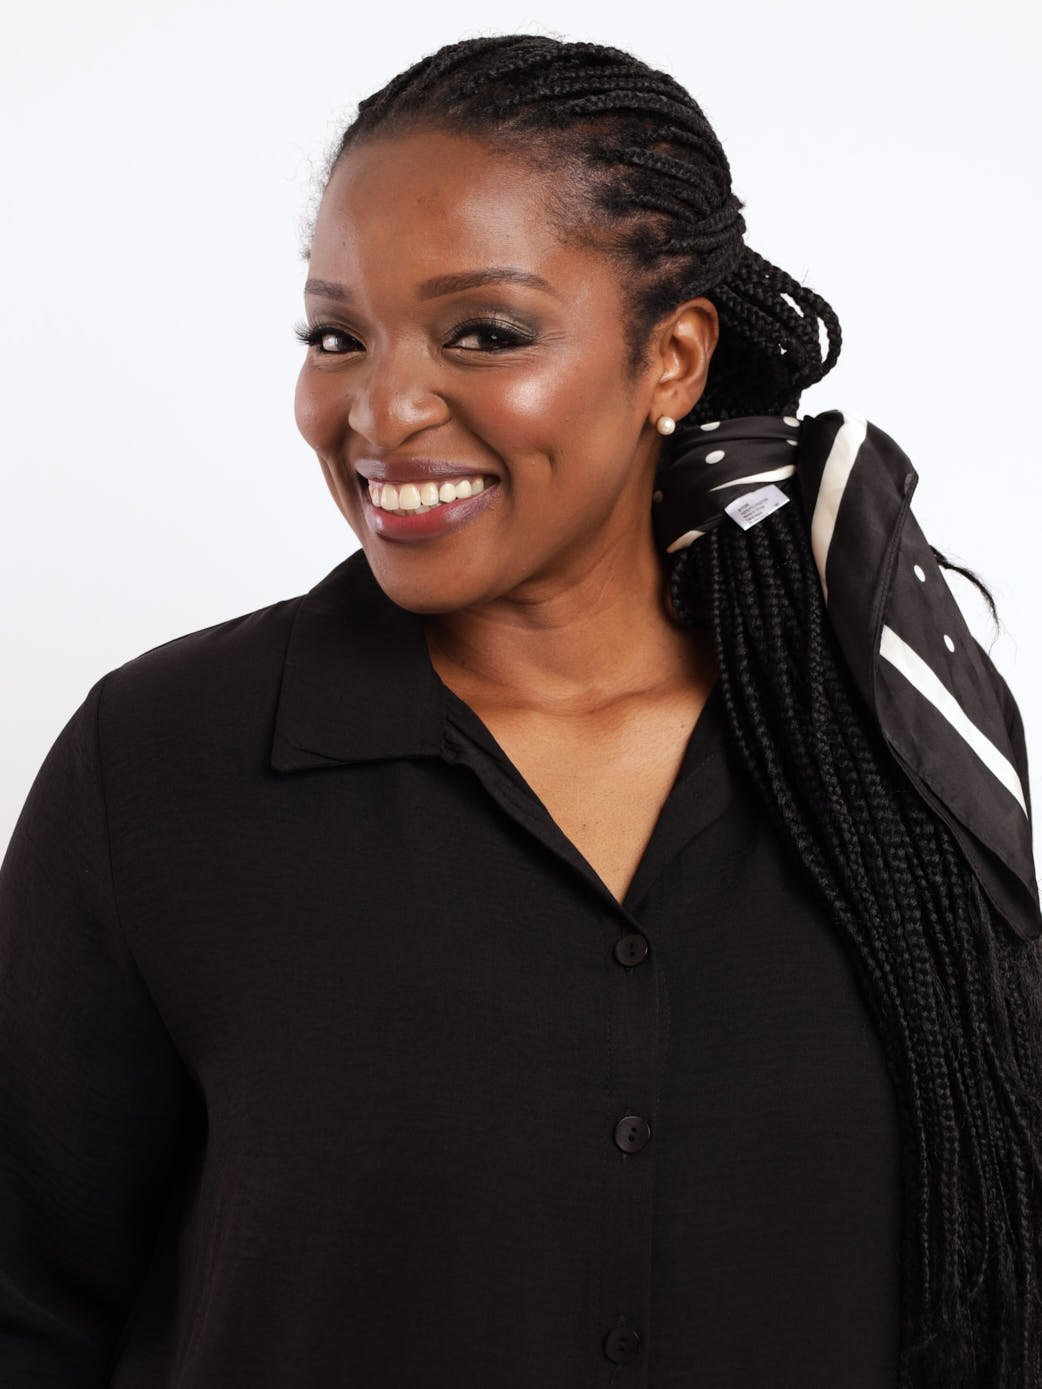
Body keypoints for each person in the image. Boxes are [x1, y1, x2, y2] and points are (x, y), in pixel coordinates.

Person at [2, 33, 1040, 1389]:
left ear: (672, 359)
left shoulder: (882, 742)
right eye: (336, 336)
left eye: (483, 334)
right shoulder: (160, 763)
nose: (381, 409)